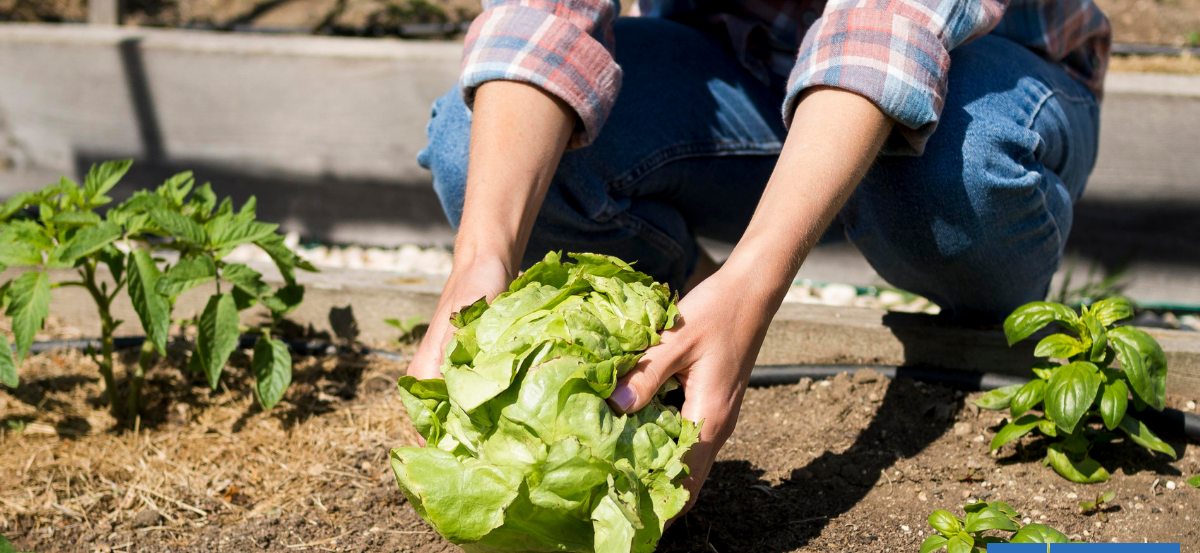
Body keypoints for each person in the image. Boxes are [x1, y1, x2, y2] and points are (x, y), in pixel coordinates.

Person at [408, 0, 1110, 513]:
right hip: (739, 67)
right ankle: (686, 323)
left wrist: (756, 280)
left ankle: (981, 338)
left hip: (979, 74)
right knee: (474, 150)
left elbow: (888, 26)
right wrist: (480, 256)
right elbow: (542, 16)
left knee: (946, 174)